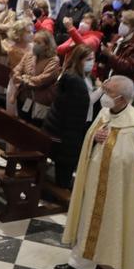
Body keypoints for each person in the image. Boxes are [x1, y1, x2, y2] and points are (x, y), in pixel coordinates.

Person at [56, 76, 134, 269]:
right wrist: (94, 137)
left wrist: (110, 146)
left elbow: (127, 161)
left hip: (114, 189)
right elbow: (90, 137)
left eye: (109, 93)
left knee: (109, 227)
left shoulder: (133, 128)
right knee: (86, 221)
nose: (104, 96)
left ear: (122, 99)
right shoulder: (105, 113)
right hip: (94, 182)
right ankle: (78, 263)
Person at [45, 45, 93, 188]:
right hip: (68, 132)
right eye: (88, 59)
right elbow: (81, 105)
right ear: (79, 60)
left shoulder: (80, 76)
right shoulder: (75, 80)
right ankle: (61, 192)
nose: (92, 62)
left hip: (67, 128)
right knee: (64, 170)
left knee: (64, 167)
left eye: (93, 59)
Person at [9, 30, 61, 123]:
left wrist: (23, 79)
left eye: (38, 42)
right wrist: (19, 76)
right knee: (21, 122)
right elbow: (17, 69)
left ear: (47, 45)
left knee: (34, 127)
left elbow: (41, 80)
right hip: (23, 96)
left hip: (39, 101)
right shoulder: (29, 54)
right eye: (34, 41)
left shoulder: (53, 60)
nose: (35, 44)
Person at [96, 10, 134, 82]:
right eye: (121, 22)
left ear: (133, 27)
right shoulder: (117, 37)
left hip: (122, 81)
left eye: (125, 23)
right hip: (108, 77)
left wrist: (110, 55)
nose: (121, 25)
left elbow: (129, 67)